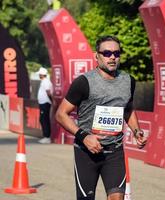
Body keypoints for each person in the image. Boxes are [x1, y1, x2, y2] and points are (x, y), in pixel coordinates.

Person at [55, 35, 147, 200]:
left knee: (117, 197)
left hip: (114, 152)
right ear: (96, 56)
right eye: (106, 53)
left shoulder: (128, 81)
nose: (112, 57)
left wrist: (136, 130)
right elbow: (61, 114)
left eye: (116, 53)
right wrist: (84, 137)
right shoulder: (84, 82)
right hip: (86, 153)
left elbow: (128, 109)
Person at [37, 67, 53, 144]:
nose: (39, 75)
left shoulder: (46, 81)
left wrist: (52, 101)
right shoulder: (44, 81)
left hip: (45, 103)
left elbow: (48, 92)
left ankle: (47, 137)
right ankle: (46, 136)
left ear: (42, 75)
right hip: (43, 103)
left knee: (44, 119)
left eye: (40, 74)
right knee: (43, 119)